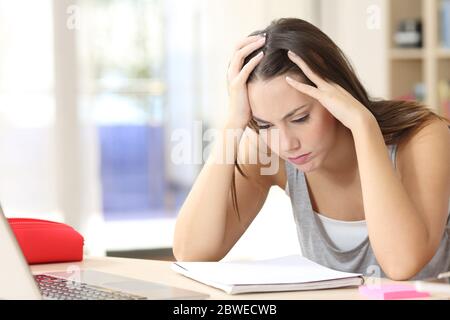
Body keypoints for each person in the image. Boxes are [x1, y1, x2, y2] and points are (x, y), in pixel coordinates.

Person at [173, 18, 450, 280]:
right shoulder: (268, 151)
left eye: (300, 118)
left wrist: (363, 126)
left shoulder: (422, 137)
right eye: (265, 124)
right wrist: (233, 123)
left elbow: (401, 264)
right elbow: (191, 253)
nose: (287, 144)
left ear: (335, 93)